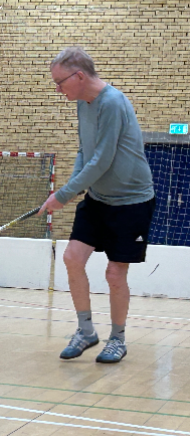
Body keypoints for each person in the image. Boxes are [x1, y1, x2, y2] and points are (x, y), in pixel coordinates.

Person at [39, 46, 155, 364]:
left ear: (79, 76)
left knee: (115, 274)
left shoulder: (113, 103)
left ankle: (117, 338)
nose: (58, 89)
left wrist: (62, 195)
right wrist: (73, 189)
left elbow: (102, 160)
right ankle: (86, 332)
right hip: (98, 198)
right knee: (73, 258)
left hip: (131, 202)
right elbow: (84, 151)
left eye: (60, 82)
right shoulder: (83, 104)